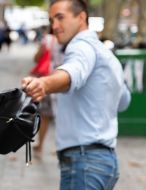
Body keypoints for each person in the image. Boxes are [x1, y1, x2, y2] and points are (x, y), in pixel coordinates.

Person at [21, 0, 131, 189]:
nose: (54, 26)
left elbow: (73, 71)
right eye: (51, 20)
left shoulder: (80, 46)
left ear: (81, 17)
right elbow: (123, 102)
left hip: (84, 163)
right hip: (105, 162)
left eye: (60, 17)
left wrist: (44, 83)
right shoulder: (107, 56)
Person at [31, 25, 64, 157]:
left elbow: (36, 58)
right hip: (64, 83)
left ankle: (40, 145)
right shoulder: (71, 42)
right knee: (62, 116)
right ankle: (61, 147)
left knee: (44, 116)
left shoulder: (48, 40)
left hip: (47, 81)